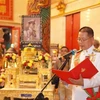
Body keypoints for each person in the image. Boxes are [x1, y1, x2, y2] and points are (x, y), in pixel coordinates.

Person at [65, 26, 100, 100]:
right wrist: (66, 81)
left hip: (92, 96)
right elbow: (72, 74)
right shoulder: (76, 55)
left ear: (92, 40)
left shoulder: (98, 55)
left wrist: (84, 82)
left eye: (84, 39)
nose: (80, 42)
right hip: (76, 96)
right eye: (79, 39)